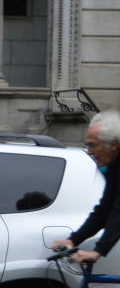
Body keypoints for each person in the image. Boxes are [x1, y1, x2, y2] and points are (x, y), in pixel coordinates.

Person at [52, 109, 120, 265]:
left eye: (93, 145)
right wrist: (73, 240)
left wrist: (98, 251)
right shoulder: (112, 165)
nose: (89, 151)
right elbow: (105, 209)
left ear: (113, 145)